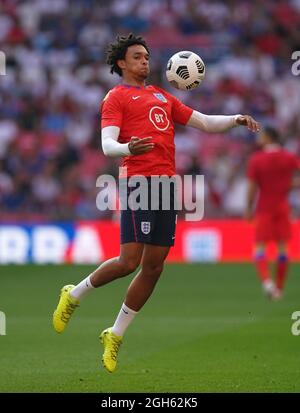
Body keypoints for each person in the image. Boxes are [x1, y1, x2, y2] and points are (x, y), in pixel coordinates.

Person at [53, 33, 259, 373]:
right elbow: (107, 145)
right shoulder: (115, 97)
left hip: (166, 186)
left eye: (147, 56)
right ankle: (74, 295)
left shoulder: (163, 96)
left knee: (154, 267)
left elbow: (205, 122)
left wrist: (235, 118)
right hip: (138, 183)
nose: (145, 61)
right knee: (128, 262)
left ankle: (115, 334)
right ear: (122, 63)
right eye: (137, 57)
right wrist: (127, 149)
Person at [245, 126, 300, 300]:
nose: (258, 138)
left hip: (264, 207)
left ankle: (267, 282)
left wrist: (248, 207)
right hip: (283, 207)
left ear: (269, 138)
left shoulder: (257, 159)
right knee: (283, 249)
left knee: (259, 247)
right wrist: (289, 185)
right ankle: (279, 288)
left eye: (261, 136)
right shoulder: (288, 157)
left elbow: (252, 188)